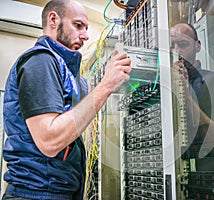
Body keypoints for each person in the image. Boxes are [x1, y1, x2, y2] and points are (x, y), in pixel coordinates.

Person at [2, 0, 131, 199]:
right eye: (78, 25)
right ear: (54, 20)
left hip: (57, 190)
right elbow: (49, 140)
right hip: (37, 193)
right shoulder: (41, 61)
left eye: (86, 29)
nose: (86, 35)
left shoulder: (66, 70)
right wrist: (105, 86)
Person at [170, 23, 214, 199]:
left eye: (182, 44)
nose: (176, 51)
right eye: (172, 46)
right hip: (173, 182)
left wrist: (186, 95)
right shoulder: (166, 89)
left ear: (197, 46)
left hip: (206, 187)